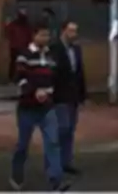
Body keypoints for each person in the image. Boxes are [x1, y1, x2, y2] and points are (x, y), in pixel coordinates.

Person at [10, 21, 67, 192]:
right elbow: (20, 78)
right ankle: (16, 175)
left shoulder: (50, 57)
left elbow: (54, 79)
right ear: (34, 36)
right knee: (22, 144)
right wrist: (33, 91)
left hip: (47, 108)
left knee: (52, 142)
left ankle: (56, 180)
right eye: (42, 35)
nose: (46, 38)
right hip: (27, 108)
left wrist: (49, 93)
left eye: (48, 35)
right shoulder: (24, 55)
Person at [49, 20, 86, 178]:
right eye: (70, 31)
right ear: (63, 31)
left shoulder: (76, 49)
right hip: (60, 96)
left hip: (73, 96)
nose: (73, 34)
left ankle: (66, 162)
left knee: (70, 129)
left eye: (75, 31)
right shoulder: (55, 48)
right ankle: (53, 162)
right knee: (62, 128)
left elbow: (79, 73)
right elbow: (52, 73)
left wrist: (83, 94)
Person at [4, 9, 32, 83]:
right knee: (14, 63)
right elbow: (8, 33)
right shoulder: (14, 25)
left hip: (22, 47)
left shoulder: (26, 26)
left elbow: (29, 36)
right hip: (16, 47)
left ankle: (20, 78)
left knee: (22, 63)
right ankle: (12, 79)